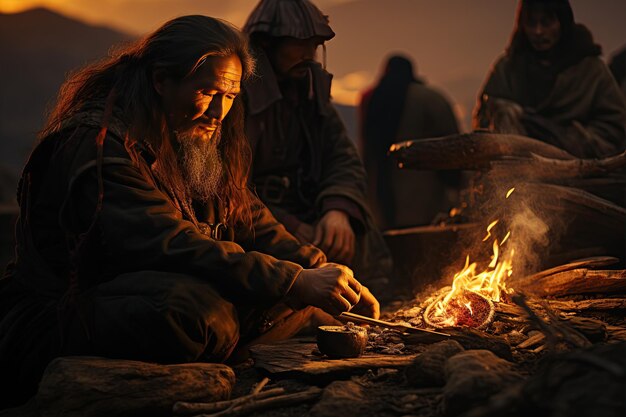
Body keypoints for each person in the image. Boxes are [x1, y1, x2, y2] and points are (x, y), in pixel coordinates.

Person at [0, 15, 379, 408]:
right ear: (161, 80)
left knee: (303, 301)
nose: (219, 111)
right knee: (195, 312)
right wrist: (292, 281)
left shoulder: (191, 135)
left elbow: (252, 220)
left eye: (230, 96)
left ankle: (234, 336)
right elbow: (168, 242)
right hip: (68, 312)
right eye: (208, 92)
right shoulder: (99, 145)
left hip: (173, 285)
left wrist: (319, 270)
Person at [242, 0, 392, 288]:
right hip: (256, 222)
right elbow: (227, 189)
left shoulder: (309, 90)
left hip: (309, 210)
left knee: (361, 240)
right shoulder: (233, 97)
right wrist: (294, 227)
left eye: (315, 44)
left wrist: (337, 210)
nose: (310, 55)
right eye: (300, 44)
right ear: (265, 43)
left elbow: (343, 157)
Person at [473, 0, 626, 159]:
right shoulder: (507, 70)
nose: (538, 31)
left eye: (546, 22)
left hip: (578, 168)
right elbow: (484, 121)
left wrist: (572, 139)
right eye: (531, 23)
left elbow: (613, 126)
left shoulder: (591, 71)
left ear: (562, 22)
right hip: (516, 166)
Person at [359, 54, 461, 230]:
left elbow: (366, 151)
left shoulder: (371, 99)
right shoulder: (431, 99)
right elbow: (453, 148)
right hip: (426, 200)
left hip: (380, 200)